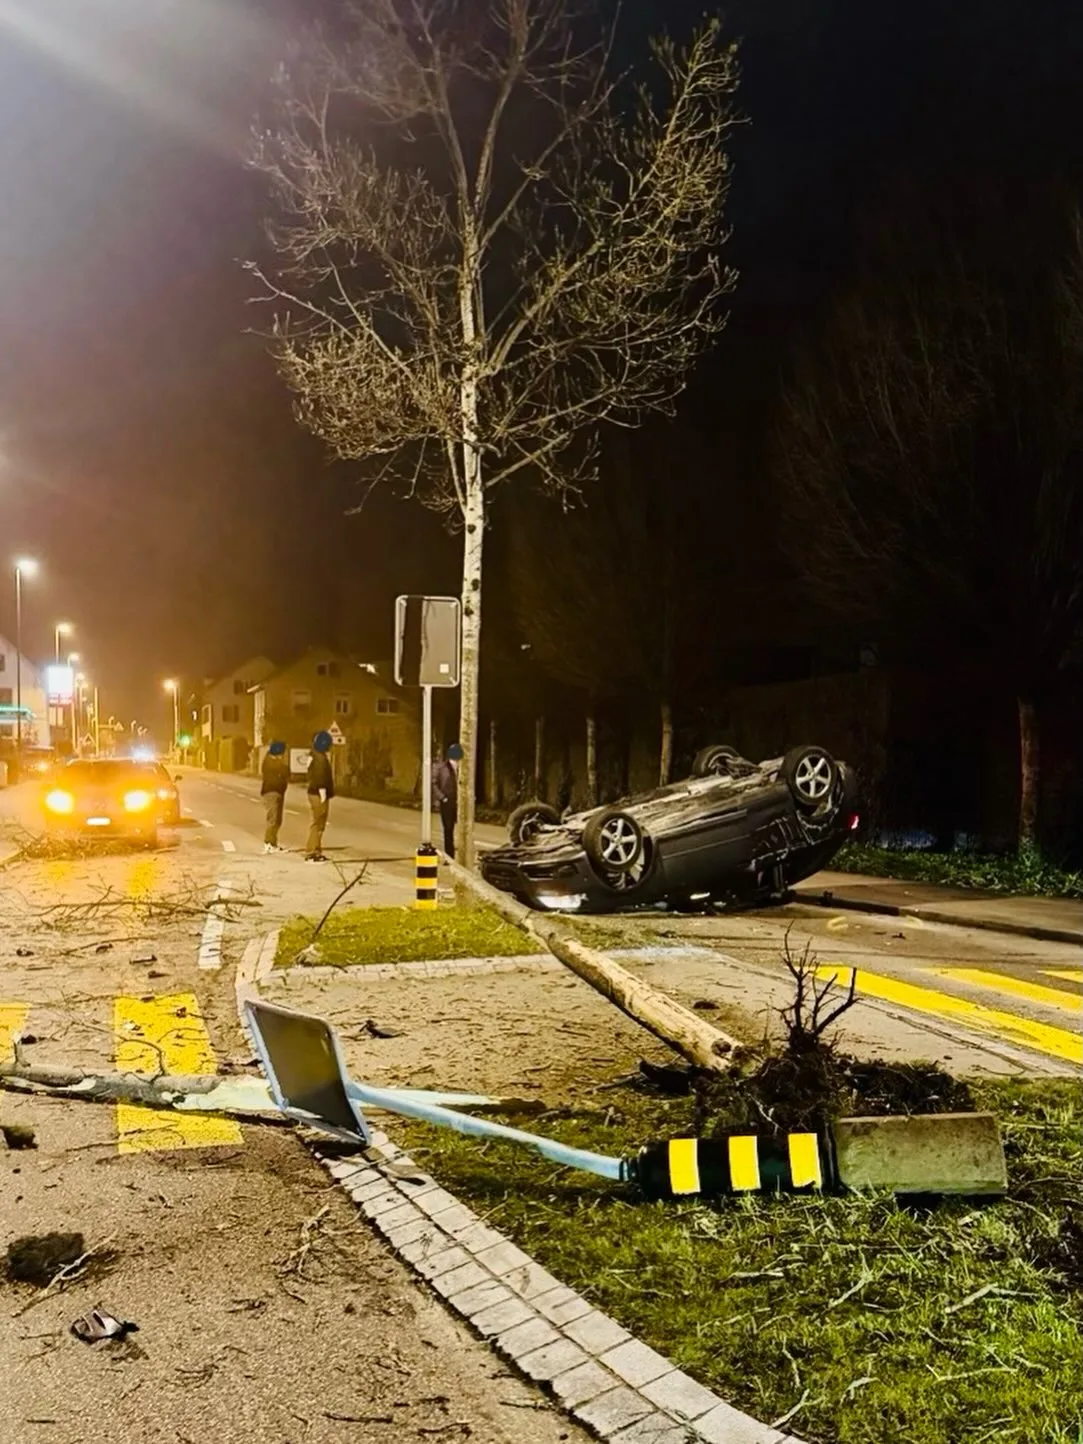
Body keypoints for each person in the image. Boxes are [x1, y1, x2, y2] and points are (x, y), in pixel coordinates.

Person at [305, 730, 335, 863]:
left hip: (312, 792)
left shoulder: (313, 756)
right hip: (318, 793)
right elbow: (320, 776)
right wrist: (323, 791)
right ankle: (313, 853)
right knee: (319, 823)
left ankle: (314, 850)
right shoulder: (321, 759)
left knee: (315, 823)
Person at [433, 742, 463, 857]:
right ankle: (449, 854)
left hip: (460, 801)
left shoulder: (463, 768)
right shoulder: (442, 768)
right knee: (448, 828)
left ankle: (462, 852)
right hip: (447, 801)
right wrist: (442, 798)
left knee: (463, 828)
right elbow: (434, 784)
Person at [260, 740, 289, 853]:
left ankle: (273, 843)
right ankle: (268, 843)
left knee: (277, 819)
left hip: (278, 792)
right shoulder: (270, 762)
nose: (283, 755)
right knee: (273, 819)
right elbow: (286, 771)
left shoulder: (273, 762)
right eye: (282, 753)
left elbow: (286, 772)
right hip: (272, 793)